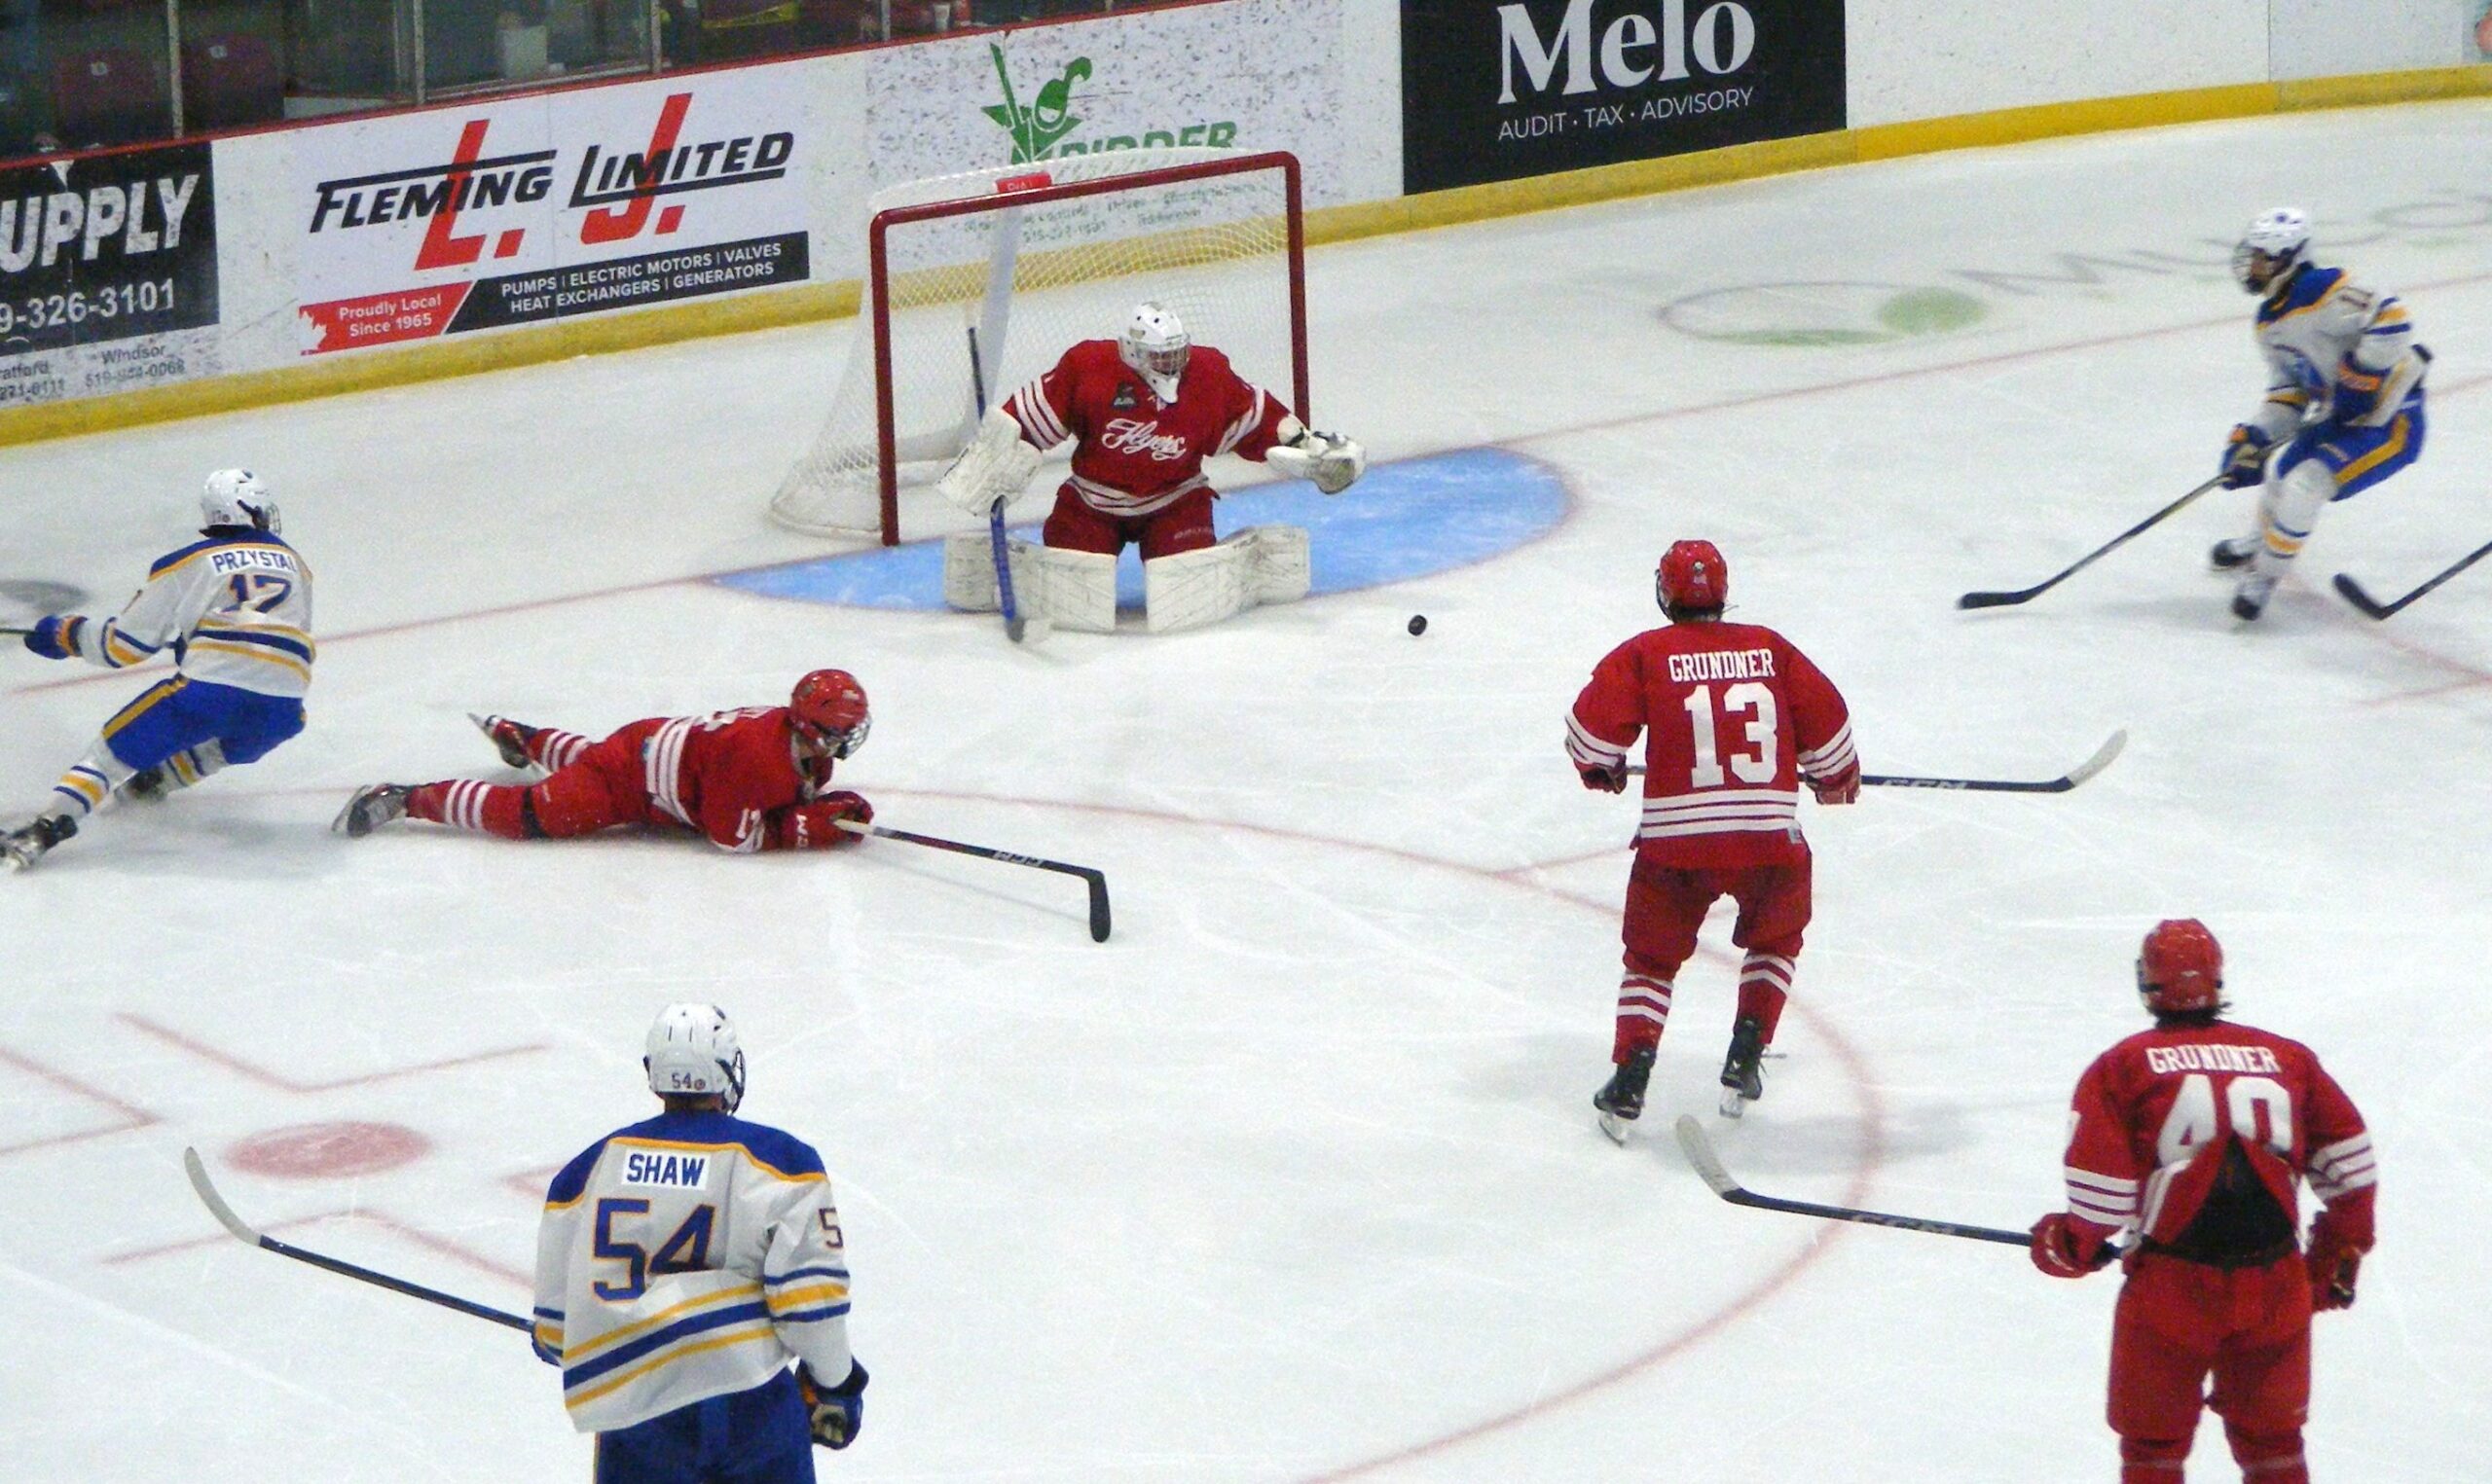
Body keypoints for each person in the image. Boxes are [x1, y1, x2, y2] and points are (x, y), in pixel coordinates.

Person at [2030, 920, 2378, 1484]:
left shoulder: (2123, 1066)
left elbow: (2103, 1199)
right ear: (2215, 978)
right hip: (2276, 1283)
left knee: (2153, 1446)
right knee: (2274, 1445)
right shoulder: (2287, 1057)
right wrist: (2340, 1250)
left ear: (2148, 983)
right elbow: (2351, 1166)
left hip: (2172, 1288)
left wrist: (2070, 1244)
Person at [1565, 540, 1857, 1136]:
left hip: (1676, 847)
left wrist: (1604, 769)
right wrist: (1835, 778)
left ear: (1664, 593)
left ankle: (1631, 1077)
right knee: (1775, 941)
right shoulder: (1771, 649)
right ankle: (1746, 1055)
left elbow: (1590, 739)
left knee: (1650, 961)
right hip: (1767, 839)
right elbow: (1829, 729)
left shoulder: (1645, 654)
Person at [534, 1003, 867, 1480]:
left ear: (654, 1073)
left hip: (638, 1414)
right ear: (726, 1071)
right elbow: (810, 1309)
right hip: (753, 1407)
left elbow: (555, 1334)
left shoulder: (586, 1171)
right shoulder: (783, 1163)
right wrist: (835, 1385)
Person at [935, 302, 1368, 633]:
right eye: (1159, 356)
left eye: (1176, 353)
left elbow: (1254, 419)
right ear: (1131, 351)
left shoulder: (1209, 373)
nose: (1171, 364)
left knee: (1187, 591)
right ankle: (1003, 569)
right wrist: (993, 461)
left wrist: (1301, 444)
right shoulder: (1089, 367)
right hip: (1092, 502)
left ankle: (1252, 563)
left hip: (1176, 500)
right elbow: (1025, 422)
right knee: (1073, 596)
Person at [5, 470, 312, 872]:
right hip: (286, 707)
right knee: (222, 746)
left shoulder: (187, 563)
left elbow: (124, 646)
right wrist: (196, 640)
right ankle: (154, 783)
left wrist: (65, 635)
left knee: (108, 755)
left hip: (209, 693)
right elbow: (276, 639)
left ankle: (42, 830)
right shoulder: (297, 564)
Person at [334, 670, 874, 852]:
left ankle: (518, 736)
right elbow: (732, 836)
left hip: (645, 750)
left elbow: (768, 801)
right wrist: (809, 829)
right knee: (533, 815)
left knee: (592, 760)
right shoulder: (760, 759)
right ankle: (406, 799)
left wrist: (817, 810)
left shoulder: (799, 748)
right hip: (631, 780)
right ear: (811, 727)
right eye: (842, 731)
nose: (848, 741)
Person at [2211, 207, 2429, 621]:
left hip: (2390, 420)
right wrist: (2256, 437)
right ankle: (2258, 544)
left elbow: (2395, 319)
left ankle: (2265, 576)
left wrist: (2363, 370)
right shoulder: (2268, 322)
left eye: (2263, 257)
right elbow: (2289, 392)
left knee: (2304, 487)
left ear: (2289, 258)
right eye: (2252, 255)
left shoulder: (2322, 289)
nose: (2253, 265)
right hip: (2339, 415)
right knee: (2277, 477)